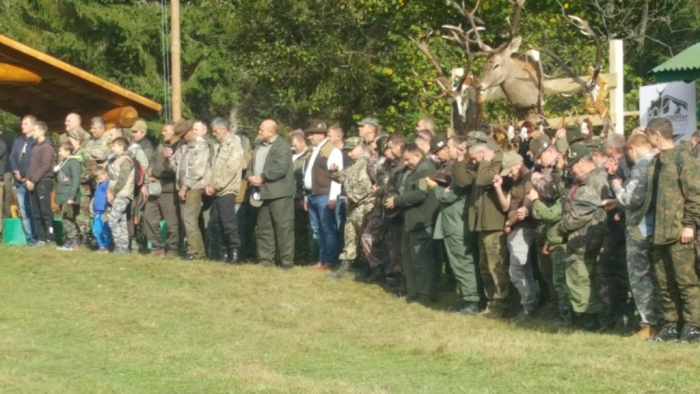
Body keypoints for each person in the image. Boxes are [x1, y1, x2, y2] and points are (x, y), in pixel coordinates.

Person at [643, 118, 700, 343]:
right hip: (658, 231)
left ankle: (693, 327)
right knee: (665, 282)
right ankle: (672, 326)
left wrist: (689, 224)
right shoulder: (654, 162)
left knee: (686, 281)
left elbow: (695, 194)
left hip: (679, 232)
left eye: (648, 135)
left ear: (657, 134)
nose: (647, 140)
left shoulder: (684, 159)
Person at [607, 134, 663, 339]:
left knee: (640, 278)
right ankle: (660, 322)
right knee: (656, 277)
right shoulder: (658, 162)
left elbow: (630, 198)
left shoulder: (641, 166)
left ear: (632, 149)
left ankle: (649, 323)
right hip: (654, 228)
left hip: (638, 230)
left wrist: (615, 183)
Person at [454, 132, 509, 319]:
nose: (474, 162)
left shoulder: (499, 161)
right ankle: (491, 302)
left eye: (474, 157)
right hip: (481, 223)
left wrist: (485, 160)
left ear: (484, 150)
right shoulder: (482, 163)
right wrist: (461, 159)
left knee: (497, 266)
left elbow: (483, 180)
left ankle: (502, 305)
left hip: (494, 224)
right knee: (485, 266)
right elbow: (463, 181)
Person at [557, 142, 609, 331]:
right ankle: (589, 320)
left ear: (580, 163)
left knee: (580, 281)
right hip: (586, 241)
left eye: (572, 167)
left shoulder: (591, 183)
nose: (571, 172)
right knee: (583, 280)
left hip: (584, 242)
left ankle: (589, 323)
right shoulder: (592, 180)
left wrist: (560, 229)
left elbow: (577, 217)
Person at [428, 135, 480, 315]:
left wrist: (434, 187)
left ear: (458, 149)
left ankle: (472, 301)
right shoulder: (458, 169)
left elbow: (448, 196)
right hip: (454, 222)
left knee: (463, 262)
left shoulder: (461, 170)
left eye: (448, 147)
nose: (446, 151)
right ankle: (467, 296)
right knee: (459, 263)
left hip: (457, 224)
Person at [384, 142, 439, 304]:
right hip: (409, 220)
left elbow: (421, 193)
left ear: (417, 155)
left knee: (421, 260)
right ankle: (413, 291)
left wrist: (397, 200)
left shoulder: (425, 170)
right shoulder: (411, 170)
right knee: (408, 258)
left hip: (421, 220)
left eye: (408, 159)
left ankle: (426, 294)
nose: (405, 163)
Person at [247, 119, 296, 269]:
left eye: (261, 130)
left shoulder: (283, 146)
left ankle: (286, 262)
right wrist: (249, 176)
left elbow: (280, 167)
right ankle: (266, 261)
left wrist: (262, 177)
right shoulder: (258, 146)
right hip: (262, 193)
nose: (259, 132)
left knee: (283, 228)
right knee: (264, 228)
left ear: (271, 132)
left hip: (279, 193)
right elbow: (251, 165)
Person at [495, 150, 537, 320]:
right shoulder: (516, 180)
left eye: (510, 170)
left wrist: (508, 223)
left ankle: (528, 307)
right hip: (514, 229)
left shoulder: (530, 179)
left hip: (522, 228)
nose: (510, 175)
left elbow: (523, 210)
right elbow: (506, 206)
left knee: (516, 270)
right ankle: (530, 303)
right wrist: (498, 188)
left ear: (519, 164)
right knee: (524, 269)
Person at [328, 137, 374, 279]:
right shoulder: (355, 164)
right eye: (347, 150)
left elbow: (367, 186)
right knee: (350, 235)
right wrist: (334, 172)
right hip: (354, 207)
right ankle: (346, 263)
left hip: (364, 207)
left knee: (363, 237)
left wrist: (352, 198)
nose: (348, 153)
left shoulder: (367, 163)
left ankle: (367, 267)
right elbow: (344, 178)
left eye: (351, 149)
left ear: (360, 147)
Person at [303, 120, 343, 269]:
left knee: (327, 229)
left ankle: (329, 261)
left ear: (321, 135)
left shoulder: (332, 151)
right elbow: (307, 175)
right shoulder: (314, 150)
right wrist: (306, 196)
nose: (310, 136)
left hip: (325, 195)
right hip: (313, 194)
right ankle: (321, 259)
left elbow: (336, 177)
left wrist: (333, 197)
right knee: (317, 229)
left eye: (312, 133)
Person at [205, 117, 244, 264]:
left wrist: (216, 185)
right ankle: (223, 253)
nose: (213, 134)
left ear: (224, 129)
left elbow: (231, 169)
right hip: (215, 191)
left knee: (228, 223)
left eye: (215, 131)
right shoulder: (217, 146)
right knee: (216, 223)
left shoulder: (233, 145)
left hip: (227, 191)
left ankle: (235, 253)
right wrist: (209, 185)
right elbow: (212, 168)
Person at [171, 120, 210, 261]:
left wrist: (184, 186)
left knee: (189, 219)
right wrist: (169, 157)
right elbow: (176, 166)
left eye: (183, 135)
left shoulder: (201, 146)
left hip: (193, 187)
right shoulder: (183, 146)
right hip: (181, 186)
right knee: (186, 219)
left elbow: (198, 171)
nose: (181, 138)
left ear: (190, 132)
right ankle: (198, 251)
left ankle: (195, 252)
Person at [143, 123, 181, 257]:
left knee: (172, 221)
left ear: (174, 132)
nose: (163, 133)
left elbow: (175, 170)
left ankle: (172, 249)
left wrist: (156, 172)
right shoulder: (161, 145)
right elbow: (152, 160)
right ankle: (156, 247)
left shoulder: (180, 147)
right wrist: (150, 170)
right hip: (155, 188)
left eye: (165, 130)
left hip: (169, 189)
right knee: (149, 217)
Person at [26, 121, 55, 246]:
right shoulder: (34, 146)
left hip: (43, 181)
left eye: (35, 130)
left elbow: (45, 166)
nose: (32, 133)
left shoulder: (47, 147)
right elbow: (31, 165)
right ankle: (41, 238)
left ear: (42, 131)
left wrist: (34, 180)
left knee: (45, 211)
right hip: (32, 183)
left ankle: (51, 237)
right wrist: (27, 179)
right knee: (36, 212)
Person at [10, 115, 37, 245]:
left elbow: (34, 161)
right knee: (24, 211)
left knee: (33, 209)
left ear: (33, 125)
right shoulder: (18, 140)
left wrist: (26, 175)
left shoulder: (36, 141)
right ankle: (30, 238)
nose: (22, 126)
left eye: (26, 124)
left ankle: (39, 236)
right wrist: (16, 172)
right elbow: (12, 157)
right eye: (22, 124)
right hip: (18, 182)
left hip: (31, 181)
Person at [106, 137, 134, 254]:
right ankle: (123, 248)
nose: (112, 148)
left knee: (112, 220)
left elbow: (122, 179)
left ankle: (120, 246)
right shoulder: (116, 160)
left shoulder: (126, 160)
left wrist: (113, 192)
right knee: (121, 221)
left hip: (123, 194)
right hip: (117, 194)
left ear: (121, 147)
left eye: (114, 146)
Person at [54, 142, 82, 251]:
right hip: (62, 193)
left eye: (61, 150)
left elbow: (75, 180)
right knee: (67, 218)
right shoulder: (63, 162)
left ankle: (73, 241)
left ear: (68, 151)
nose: (59, 152)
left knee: (66, 219)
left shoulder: (73, 162)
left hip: (68, 195)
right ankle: (72, 241)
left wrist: (71, 196)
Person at [291, 130, 312, 264]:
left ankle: (305, 257)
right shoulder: (290, 156)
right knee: (293, 228)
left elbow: (304, 178)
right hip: (290, 197)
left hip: (301, 198)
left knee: (303, 228)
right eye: (291, 145)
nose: (293, 148)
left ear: (303, 142)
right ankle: (295, 255)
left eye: (295, 145)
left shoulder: (309, 156)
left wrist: (302, 198)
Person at [92, 167, 112, 253]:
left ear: (106, 174)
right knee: (97, 230)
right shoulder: (99, 185)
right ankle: (101, 246)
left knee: (105, 230)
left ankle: (107, 246)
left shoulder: (108, 183)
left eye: (101, 178)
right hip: (97, 212)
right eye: (98, 179)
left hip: (104, 211)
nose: (100, 180)